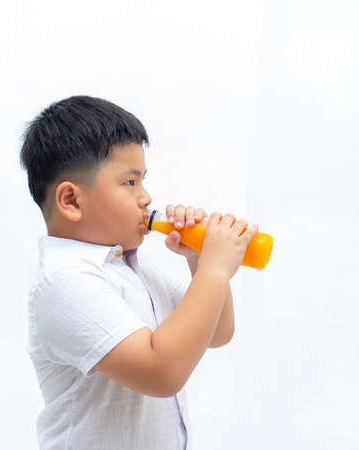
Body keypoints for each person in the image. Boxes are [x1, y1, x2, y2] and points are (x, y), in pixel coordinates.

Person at [20, 95, 258, 450]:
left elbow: (216, 333)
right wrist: (214, 270)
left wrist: (199, 263)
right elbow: (161, 372)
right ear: (71, 201)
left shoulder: (131, 265)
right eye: (129, 183)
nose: (146, 198)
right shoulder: (64, 281)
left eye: (143, 181)